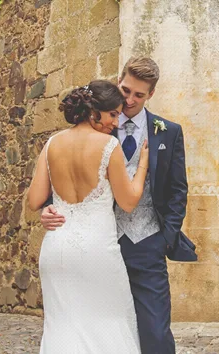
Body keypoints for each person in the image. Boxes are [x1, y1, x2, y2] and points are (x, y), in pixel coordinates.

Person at [39, 57, 197, 354]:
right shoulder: (97, 125)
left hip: (147, 242)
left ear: (151, 94)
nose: (130, 100)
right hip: (97, 245)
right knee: (99, 328)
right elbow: (64, 169)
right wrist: (49, 207)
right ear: (118, 82)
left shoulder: (168, 131)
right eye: (126, 90)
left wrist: (165, 238)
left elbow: (178, 189)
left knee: (155, 332)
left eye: (139, 94)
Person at [26, 79, 149, 353]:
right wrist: (142, 167)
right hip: (97, 251)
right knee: (109, 324)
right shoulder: (108, 145)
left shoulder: (51, 143)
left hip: (57, 250)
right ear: (94, 111)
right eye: (113, 114)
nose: (116, 123)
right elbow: (128, 201)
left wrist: (49, 208)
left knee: (62, 328)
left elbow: (34, 200)